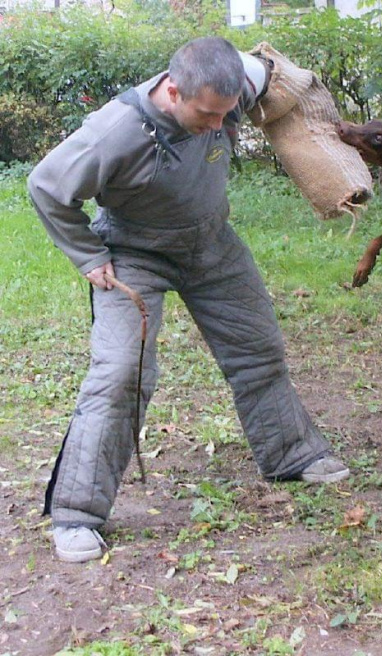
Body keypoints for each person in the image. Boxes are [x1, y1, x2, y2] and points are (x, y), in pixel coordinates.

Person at [28, 36, 349, 564]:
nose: (218, 126)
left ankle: (292, 454)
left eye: (227, 115)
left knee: (258, 347)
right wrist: (87, 255)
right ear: (173, 91)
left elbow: (283, 79)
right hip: (133, 254)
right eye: (206, 115)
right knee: (120, 372)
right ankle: (77, 515)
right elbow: (45, 187)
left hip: (212, 244)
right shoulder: (114, 132)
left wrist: (324, 147)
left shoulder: (235, 81)